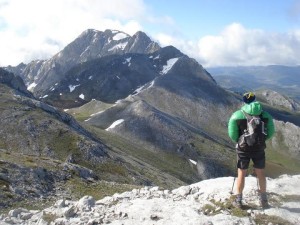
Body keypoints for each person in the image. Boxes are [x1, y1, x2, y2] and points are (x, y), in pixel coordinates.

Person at [228, 92, 275, 208]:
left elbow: (232, 134)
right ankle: (263, 200)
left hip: (243, 149)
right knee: (260, 173)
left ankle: (238, 200)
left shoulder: (237, 115)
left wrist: (240, 141)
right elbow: (271, 132)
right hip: (259, 148)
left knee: (241, 173)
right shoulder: (266, 115)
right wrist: (261, 140)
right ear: (255, 100)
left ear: (244, 101)